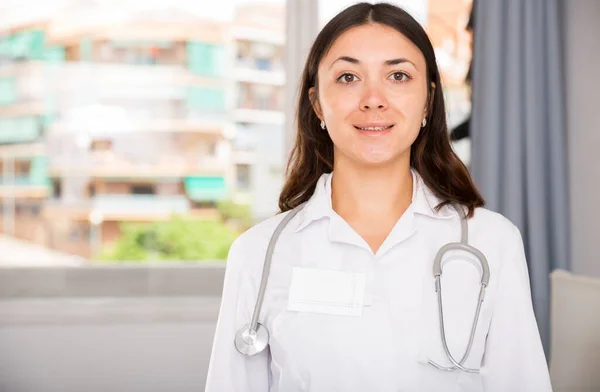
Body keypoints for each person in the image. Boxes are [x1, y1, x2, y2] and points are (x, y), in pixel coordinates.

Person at [205, 2, 552, 391]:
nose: (373, 99)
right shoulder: (259, 252)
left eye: (398, 75)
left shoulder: (492, 242)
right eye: (349, 77)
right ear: (317, 102)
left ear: (428, 101)